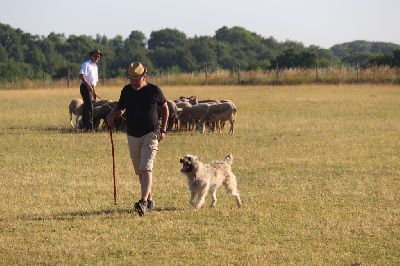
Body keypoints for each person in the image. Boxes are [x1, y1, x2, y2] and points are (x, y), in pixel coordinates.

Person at [106, 62, 169, 216]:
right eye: (131, 79)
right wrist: (113, 114)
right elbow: (121, 108)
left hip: (151, 134)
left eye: (137, 79)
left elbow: (165, 107)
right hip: (132, 135)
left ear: (144, 76)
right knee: (140, 172)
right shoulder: (127, 90)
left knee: (146, 168)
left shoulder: (154, 90)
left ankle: (142, 201)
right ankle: (150, 202)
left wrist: (163, 130)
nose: (134, 82)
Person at [79, 49, 102, 131]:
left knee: (87, 106)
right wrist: (88, 86)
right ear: (91, 55)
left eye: (98, 57)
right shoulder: (86, 64)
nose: (97, 58)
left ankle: (84, 125)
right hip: (85, 87)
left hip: (91, 87)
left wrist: (94, 92)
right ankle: (89, 126)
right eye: (95, 56)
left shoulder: (95, 67)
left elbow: (94, 81)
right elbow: (81, 75)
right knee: (89, 105)